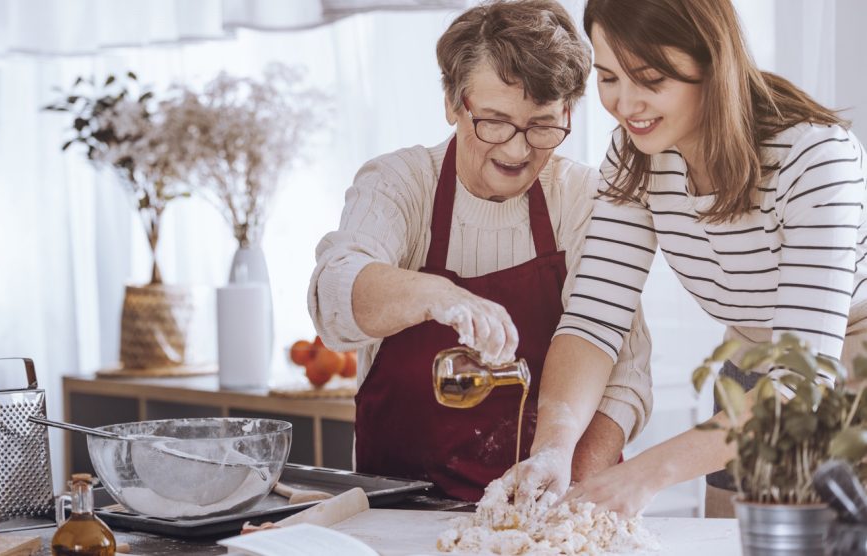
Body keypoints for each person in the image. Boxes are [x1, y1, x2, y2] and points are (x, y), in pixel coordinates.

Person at [510, 0, 867, 517]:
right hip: (751, 361)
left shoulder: (815, 157)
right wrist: (554, 448)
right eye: (608, 77)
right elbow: (594, 319)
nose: (626, 104)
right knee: (729, 538)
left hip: (843, 369)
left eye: (650, 78)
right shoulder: (634, 154)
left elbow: (802, 383)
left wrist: (645, 472)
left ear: (712, 64)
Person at [307, 0, 652, 502]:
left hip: (550, 516)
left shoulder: (584, 199)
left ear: (568, 112)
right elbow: (334, 298)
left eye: (541, 125)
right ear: (452, 102)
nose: (516, 151)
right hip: (404, 516)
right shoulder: (400, 184)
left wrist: (565, 494)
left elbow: (624, 374)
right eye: (493, 121)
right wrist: (436, 295)